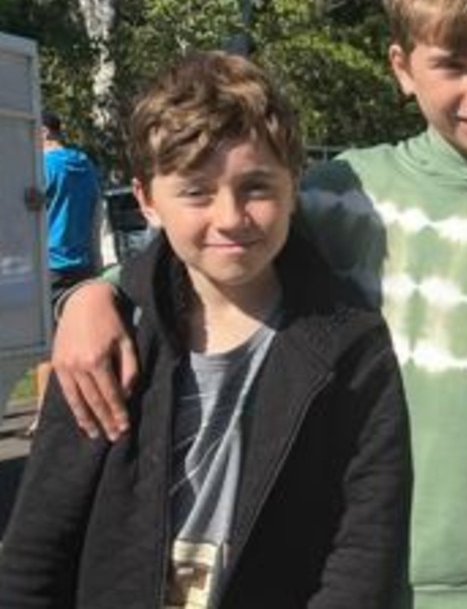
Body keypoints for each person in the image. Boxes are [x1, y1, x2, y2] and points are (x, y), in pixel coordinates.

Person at [50, 0, 467, 608]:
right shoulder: (342, 193)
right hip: (387, 574)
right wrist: (90, 295)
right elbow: (211, 258)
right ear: (402, 67)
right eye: (452, 63)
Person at [0, 52, 412, 607]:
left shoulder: (350, 345)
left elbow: (363, 548)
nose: (230, 216)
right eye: (196, 192)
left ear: (295, 184)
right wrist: (84, 297)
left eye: (258, 187)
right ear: (147, 200)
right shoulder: (106, 339)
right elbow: (36, 546)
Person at [27, 110, 102, 436]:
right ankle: (83, 405)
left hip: (50, 264)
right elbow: (96, 212)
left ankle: (45, 416)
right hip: (82, 262)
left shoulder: (43, 166)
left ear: (44, 132)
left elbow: (28, 205)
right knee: (79, 340)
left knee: (49, 345)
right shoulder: (85, 164)